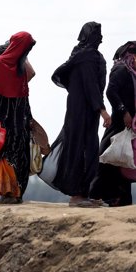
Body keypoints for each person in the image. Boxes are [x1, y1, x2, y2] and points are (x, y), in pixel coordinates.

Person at [42, 22, 111, 207]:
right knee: (82, 149)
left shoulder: (86, 55)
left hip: (86, 111)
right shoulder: (86, 56)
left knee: (87, 149)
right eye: (98, 34)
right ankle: (77, 195)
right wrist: (103, 111)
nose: (101, 38)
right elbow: (90, 86)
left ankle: (84, 193)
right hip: (81, 110)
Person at [0, 31, 37, 204]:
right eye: (27, 47)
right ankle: (7, 193)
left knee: (22, 156)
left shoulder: (21, 66)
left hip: (21, 121)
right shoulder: (1, 64)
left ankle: (18, 193)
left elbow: (25, 94)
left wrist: (29, 118)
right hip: (5, 122)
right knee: (7, 157)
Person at [89, 41, 136, 206]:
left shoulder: (133, 72)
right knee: (107, 159)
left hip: (130, 125)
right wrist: (124, 112)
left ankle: (121, 200)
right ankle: (96, 196)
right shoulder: (121, 69)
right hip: (119, 122)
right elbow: (111, 92)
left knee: (124, 161)